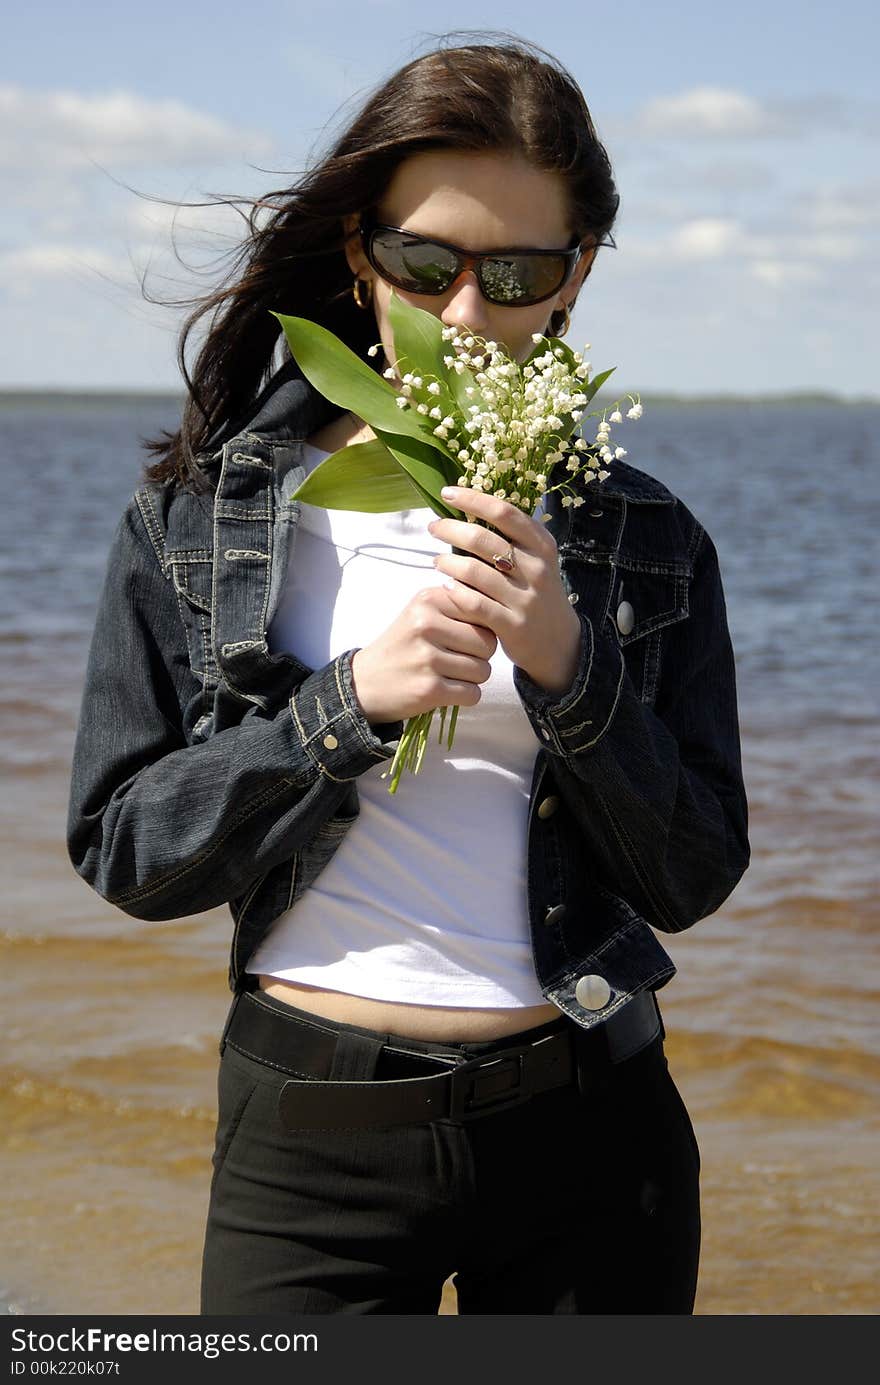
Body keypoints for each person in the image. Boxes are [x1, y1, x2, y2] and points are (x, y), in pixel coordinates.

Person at [67, 37, 749, 1315]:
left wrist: (566, 664)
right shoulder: (195, 520)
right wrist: (347, 705)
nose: (465, 316)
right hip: (308, 1136)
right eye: (425, 263)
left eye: (518, 271)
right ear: (358, 251)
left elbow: (694, 873)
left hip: (595, 1131)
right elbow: (127, 850)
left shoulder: (642, 539)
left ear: (577, 275)